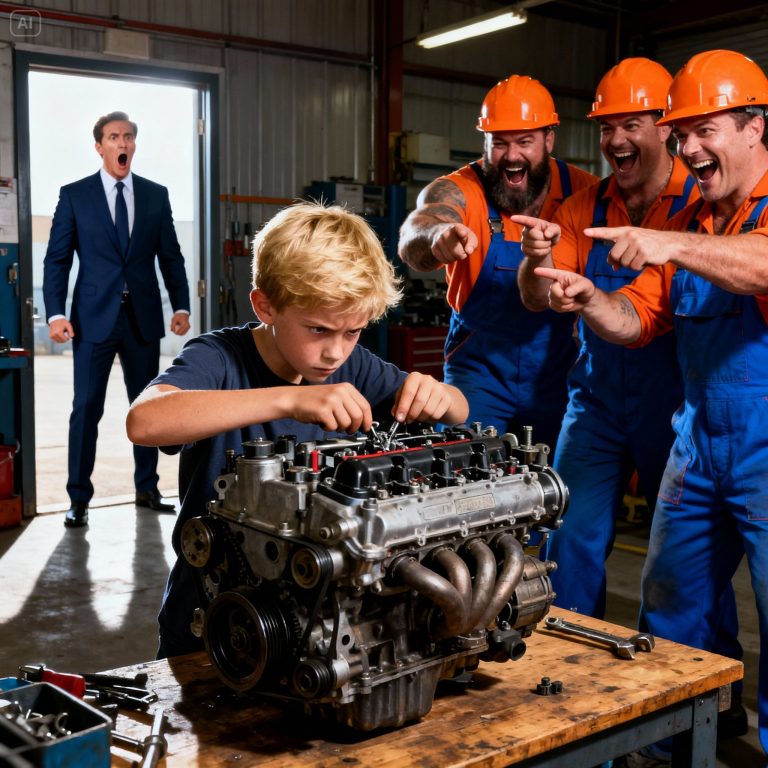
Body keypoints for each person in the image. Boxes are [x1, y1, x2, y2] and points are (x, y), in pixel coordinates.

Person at [534, 49, 768, 763]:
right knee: (669, 605)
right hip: (697, 443)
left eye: (706, 130)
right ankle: (672, 747)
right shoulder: (700, 217)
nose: (690, 147)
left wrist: (669, 241)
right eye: (683, 131)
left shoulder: (711, 225)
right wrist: (590, 300)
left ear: (756, 126)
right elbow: (640, 324)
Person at [126, 201, 469, 658]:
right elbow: (145, 420)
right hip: (212, 617)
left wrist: (438, 395)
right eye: (318, 329)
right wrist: (291, 398)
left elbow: (460, 411)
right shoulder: (219, 358)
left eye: (353, 332)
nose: (335, 353)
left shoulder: (357, 366)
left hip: (316, 623)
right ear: (265, 305)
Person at [515, 58, 697, 620]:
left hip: (674, 401)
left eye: (630, 125)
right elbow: (536, 296)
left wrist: (590, 297)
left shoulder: (697, 204)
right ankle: (567, 669)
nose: (614, 140)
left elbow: (646, 314)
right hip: (594, 400)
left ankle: (692, 687)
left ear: (665, 126)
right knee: (567, 537)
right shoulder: (581, 207)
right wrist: (538, 260)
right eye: (604, 127)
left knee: (682, 562)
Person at [398, 75, 597, 452]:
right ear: (485, 142)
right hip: (479, 374)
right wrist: (436, 238)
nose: (512, 156)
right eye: (500, 143)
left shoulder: (585, 192)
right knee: (462, 479)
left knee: (557, 487)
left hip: (561, 373)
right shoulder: (462, 188)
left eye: (525, 142)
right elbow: (415, 232)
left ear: (549, 139)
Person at [43, 111, 191, 528]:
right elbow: (57, 260)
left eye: (127, 136)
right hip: (91, 319)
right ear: (100, 146)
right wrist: (55, 313)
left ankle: (147, 487)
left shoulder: (155, 195)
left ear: (134, 145)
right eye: (113, 137)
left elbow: (171, 256)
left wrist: (180, 305)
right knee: (86, 408)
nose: (121, 142)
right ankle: (78, 498)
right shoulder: (75, 195)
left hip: (142, 318)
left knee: (146, 408)